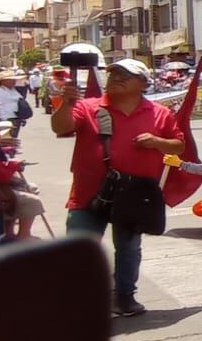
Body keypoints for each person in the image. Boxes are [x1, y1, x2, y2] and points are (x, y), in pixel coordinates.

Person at [52, 58, 184, 316]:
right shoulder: (88, 106)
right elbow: (61, 127)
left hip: (134, 196)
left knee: (128, 247)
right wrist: (65, 105)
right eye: (113, 74)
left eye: (126, 74)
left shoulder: (160, 113)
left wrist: (157, 141)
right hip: (89, 193)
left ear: (144, 83)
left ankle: (124, 296)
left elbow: (178, 145)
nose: (117, 78)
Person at [0, 120, 45, 238]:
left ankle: (9, 233)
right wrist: (14, 165)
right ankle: (24, 235)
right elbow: (1, 175)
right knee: (33, 201)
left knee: (30, 188)